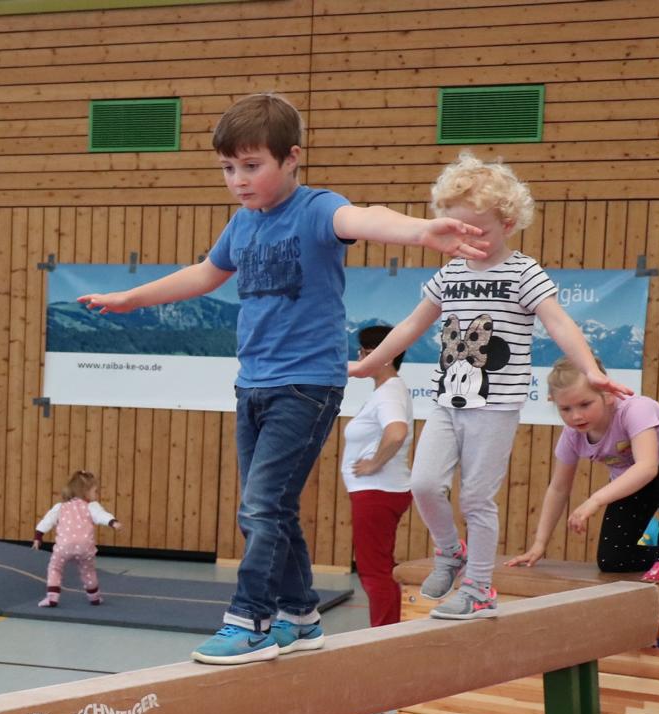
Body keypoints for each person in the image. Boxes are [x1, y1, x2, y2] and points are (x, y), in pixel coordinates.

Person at [77, 92, 488, 664]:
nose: (238, 180)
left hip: (307, 385)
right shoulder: (242, 225)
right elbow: (202, 274)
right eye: (228, 168)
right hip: (254, 384)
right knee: (272, 506)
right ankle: (301, 616)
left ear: (291, 158)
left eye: (252, 166)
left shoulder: (318, 209)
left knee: (259, 506)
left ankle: (250, 618)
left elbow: (364, 218)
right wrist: (131, 298)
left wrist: (420, 233)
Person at [351, 152, 628, 620]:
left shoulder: (523, 273)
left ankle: (479, 586)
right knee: (422, 483)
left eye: (477, 228)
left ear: (508, 221)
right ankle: (450, 553)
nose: (468, 238)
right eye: (457, 229)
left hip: (494, 405)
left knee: (477, 498)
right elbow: (410, 326)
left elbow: (559, 323)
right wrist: (370, 365)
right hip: (446, 400)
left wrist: (590, 368)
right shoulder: (451, 274)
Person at [506, 360, 659, 581]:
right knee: (613, 559)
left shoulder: (635, 409)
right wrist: (539, 544)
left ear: (608, 395)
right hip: (634, 484)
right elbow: (559, 488)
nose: (576, 416)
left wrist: (595, 500)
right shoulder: (573, 435)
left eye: (585, 404)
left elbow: (647, 467)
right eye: (565, 409)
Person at [342, 326, 412, 626]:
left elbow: (396, 433)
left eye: (367, 353)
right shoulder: (387, 391)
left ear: (388, 356)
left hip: (377, 493)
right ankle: (387, 631)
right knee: (379, 568)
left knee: (374, 572)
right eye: (361, 351)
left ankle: (383, 635)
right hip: (378, 493)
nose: (361, 358)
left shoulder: (389, 394)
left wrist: (373, 464)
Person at [33, 470, 120, 607]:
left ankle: (52, 598)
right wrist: (112, 522)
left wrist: (38, 536)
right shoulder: (92, 506)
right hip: (85, 547)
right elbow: (102, 515)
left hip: (64, 547)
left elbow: (47, 521)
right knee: (88, 571)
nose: (96, 495)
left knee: (55, 568)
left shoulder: (60, 507)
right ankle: (94, 597)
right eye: (95, 491)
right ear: (85, 491)